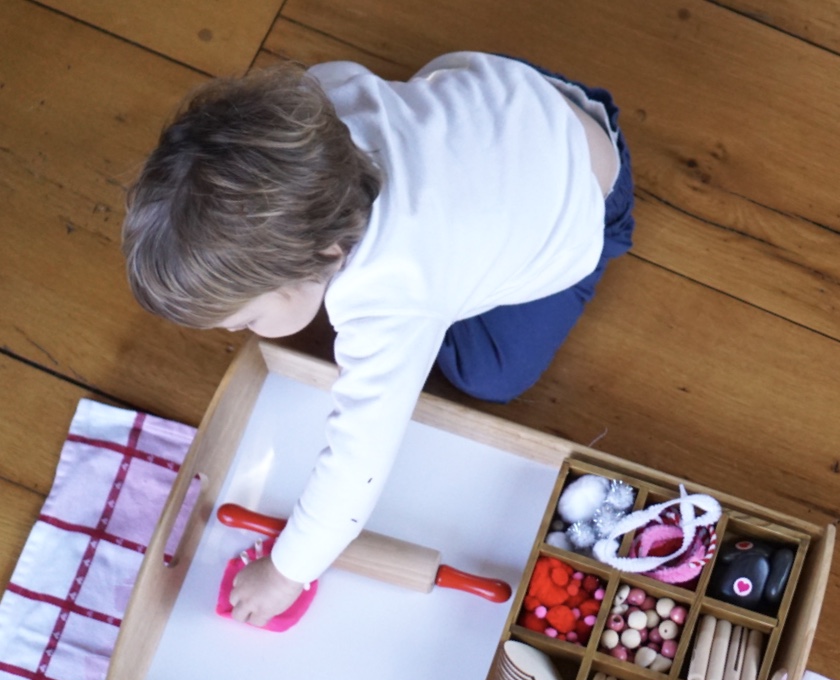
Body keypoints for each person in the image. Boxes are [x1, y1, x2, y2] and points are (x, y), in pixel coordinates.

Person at [122, 51, 635, 627]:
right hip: (524, 94)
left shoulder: (390, 298)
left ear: (326, 253)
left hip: (593, 197)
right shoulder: (318, 104)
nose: (238, 332)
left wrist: (286, 571)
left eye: (247, 320)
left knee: (491, 373)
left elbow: (358, 463)